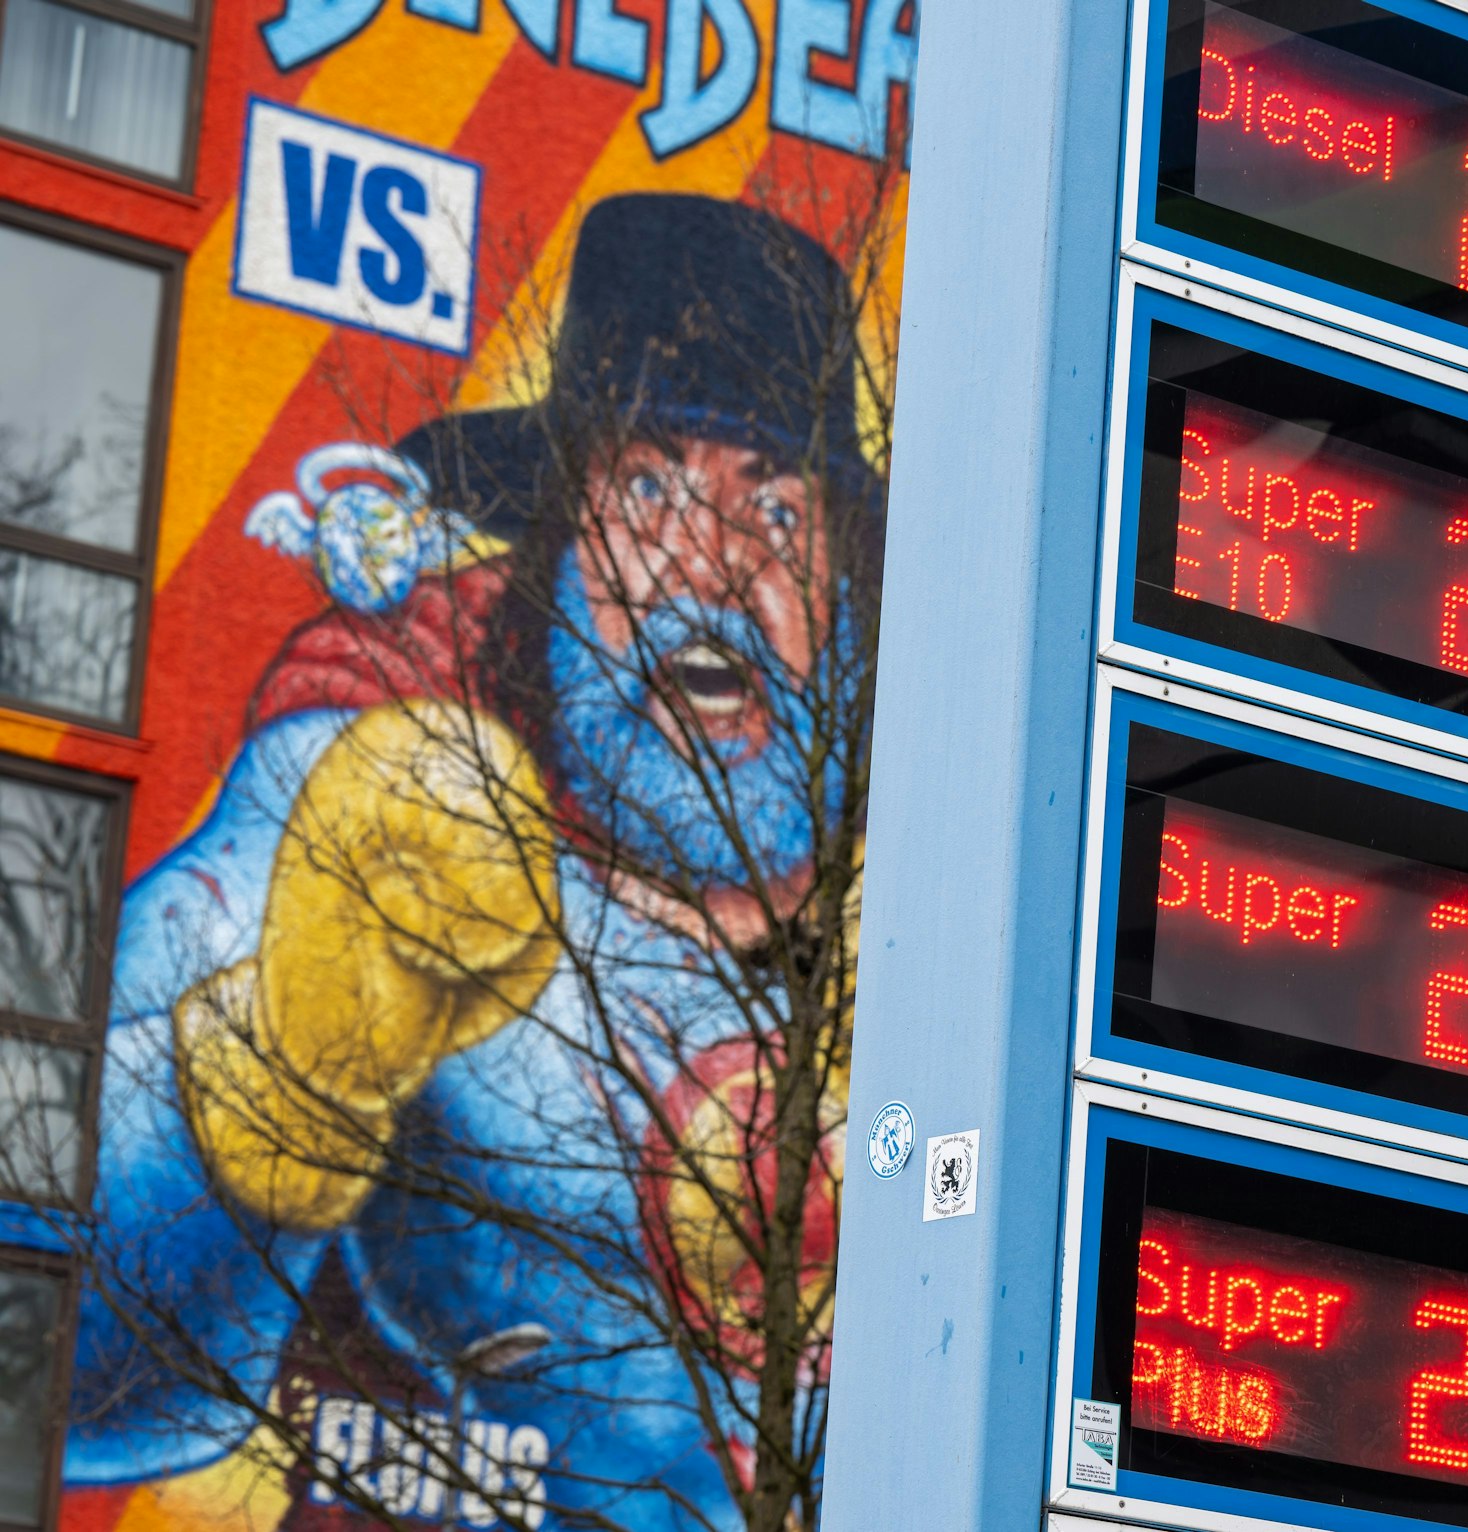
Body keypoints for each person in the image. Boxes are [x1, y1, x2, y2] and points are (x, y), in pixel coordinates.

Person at [63, 193, 876, 1532]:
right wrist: (272, 1064)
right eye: (650, 489)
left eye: (777, 509)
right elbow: (81, 1349)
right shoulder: (387, 757)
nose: (712, 568)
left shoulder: (942, 835)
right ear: (556, 542)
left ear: (848, 583)